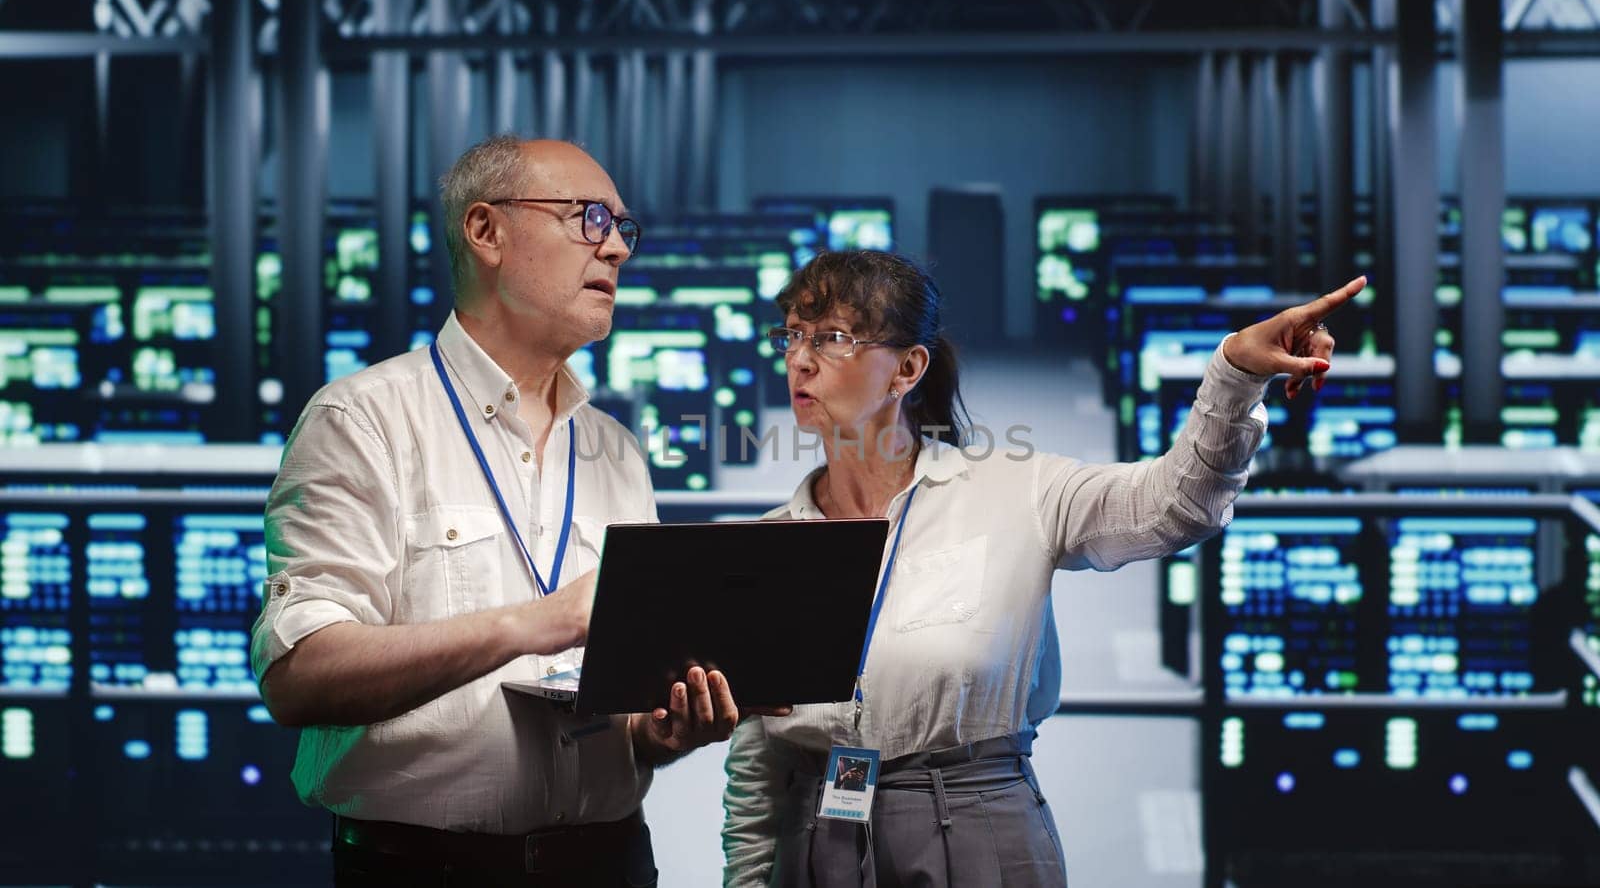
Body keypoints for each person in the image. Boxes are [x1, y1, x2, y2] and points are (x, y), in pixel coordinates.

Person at [721, 250, 1363, 887]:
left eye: (833, 338)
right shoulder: (771, 545)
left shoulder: (1015, 491)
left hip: (972, 829)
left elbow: (1176, 505)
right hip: (815, 838)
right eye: (793, 335)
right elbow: (757, 770)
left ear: (908, 369)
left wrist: (1233, 376)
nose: (800, 359)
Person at [250, 136, 773, 888]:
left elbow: (622, 707)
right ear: (486, 231)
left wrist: (660, 731)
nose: (618, 248)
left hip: (609, 862)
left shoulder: (614, 449)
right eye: (590, 218)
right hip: (426, 870)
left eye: (624, 227)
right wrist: (536, 622)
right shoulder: (363, 420)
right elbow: (299, 677)